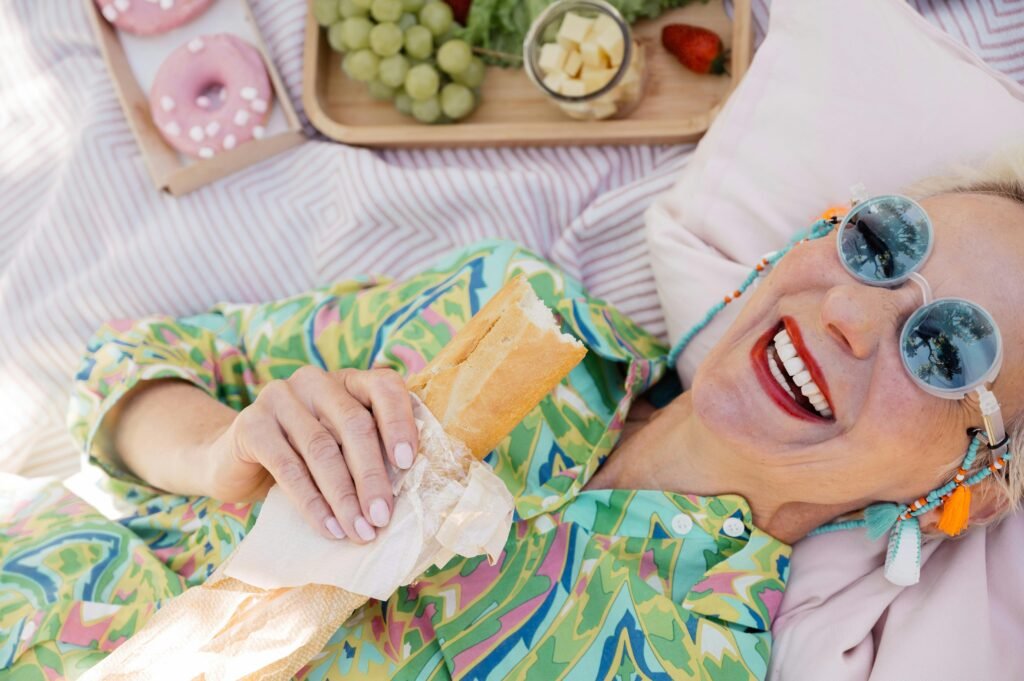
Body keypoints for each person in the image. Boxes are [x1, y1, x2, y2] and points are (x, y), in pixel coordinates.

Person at [2, 154, 1022, 680]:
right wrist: (219, 449)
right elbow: (128, 368)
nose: (846, 316)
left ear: (966, 488)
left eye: (944, 347)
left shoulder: (689, 656)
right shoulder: (508, 305)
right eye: (882, 244)